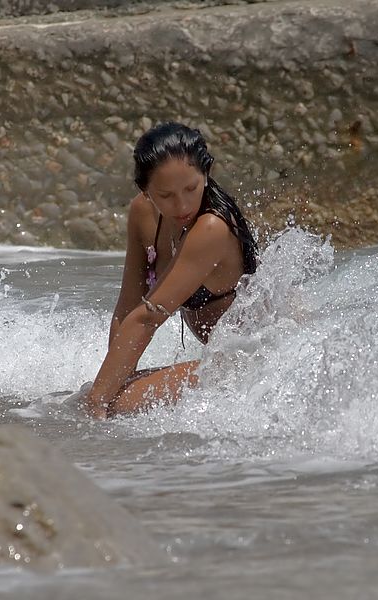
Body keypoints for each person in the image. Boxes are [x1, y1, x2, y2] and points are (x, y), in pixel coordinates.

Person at [85, 121, 258, 419]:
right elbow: (127, 309)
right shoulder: (142, 213)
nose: (182, 205)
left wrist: (100, 401)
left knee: (115, 406)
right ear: (146, 190)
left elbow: (148, 317)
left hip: (258, 360)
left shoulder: (212, 227)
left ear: (206, 174)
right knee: (97, 397)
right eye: (166, 195)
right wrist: (108, 387)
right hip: (221, 359)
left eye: (191, 188)